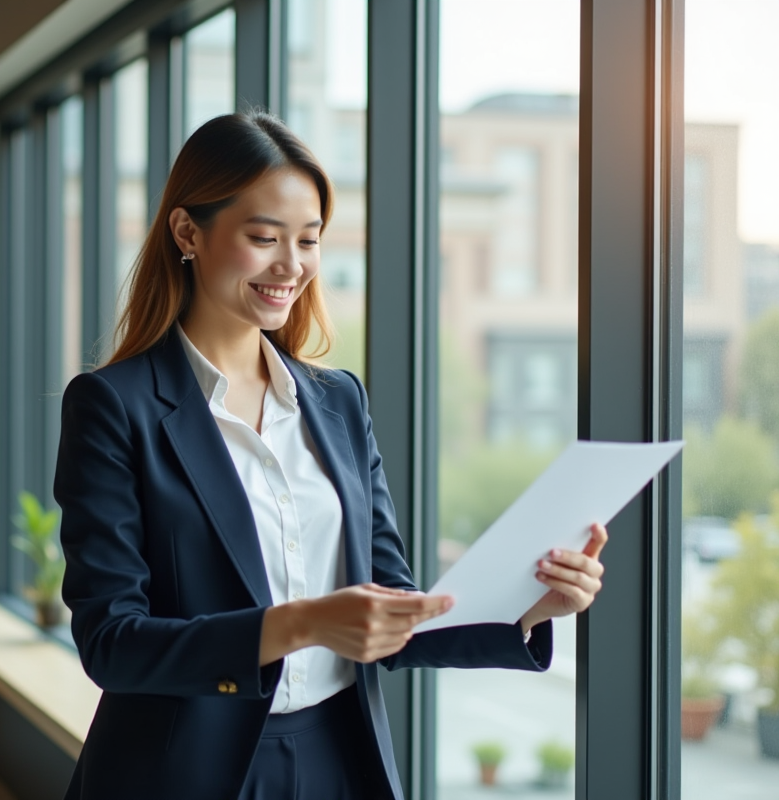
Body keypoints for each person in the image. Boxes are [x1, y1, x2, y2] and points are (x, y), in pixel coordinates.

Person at [53, 111, 606, 800]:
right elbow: (112, 642)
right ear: (188, 233)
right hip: (181, 772)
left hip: (338, 758)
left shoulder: (337, 401)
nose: (292, 265)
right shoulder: (113, 406)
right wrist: (303, 623)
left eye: (309, 240)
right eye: (264, 238)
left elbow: (390, 605)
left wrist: (526, 609)